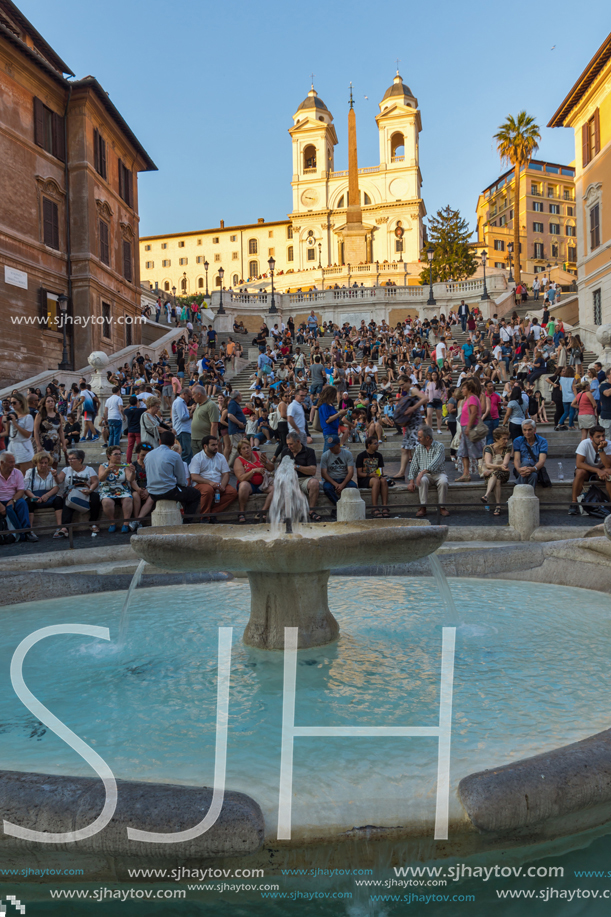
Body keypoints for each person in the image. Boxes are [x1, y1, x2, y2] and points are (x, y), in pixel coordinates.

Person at [145, 430, 201, 520]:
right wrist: (183, 487)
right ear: (173, 443)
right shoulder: (174, 455)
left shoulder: (149, 455)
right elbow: (181, 479)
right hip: (168, 492)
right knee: (195, 494)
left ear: (160, 441)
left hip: (152, 492)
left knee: (186, 492)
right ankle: (187, 521)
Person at [53, 449, 101, 537]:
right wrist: (55, 475)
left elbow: (95, 482)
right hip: (71, 493)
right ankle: (65, 527)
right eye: (69, 459)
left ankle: (93, 522)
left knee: (95, 497)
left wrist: (90, 490)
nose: (70, 461)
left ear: (80, 460)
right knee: (66, 500)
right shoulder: (66, 469)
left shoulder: (89, 469)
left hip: (85, 492)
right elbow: (59, 480)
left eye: (72, 459)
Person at [190, 433, 238, 518]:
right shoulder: (197, 458)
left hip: (218, 483)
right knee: (208, 490)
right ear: (205, 446)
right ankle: (204, 517)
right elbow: (194, 476)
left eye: (216, 444)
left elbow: (226, 474)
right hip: (202, 484)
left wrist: (222, 486)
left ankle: (213, 513)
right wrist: (210, 483)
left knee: (232, 492)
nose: (216, 447)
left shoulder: (221, 457)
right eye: (213, 445)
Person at [407, 425, 449, 518]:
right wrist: (411, 481)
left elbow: (436, 462)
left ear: (427, 437)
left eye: (420, 437)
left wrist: (421, 473)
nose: (418, 439)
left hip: (439, 473)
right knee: (422, 480)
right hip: (425, 476)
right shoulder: (418, 448)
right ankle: (423, 507)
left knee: (443, 482)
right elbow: (414, 464)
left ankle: (442, 507)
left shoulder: (440, 446)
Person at [568, 425, 611, 515]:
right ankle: (574, 502)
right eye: (598, 436)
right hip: (587, 470)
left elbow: (608, 465)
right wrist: (597, 470)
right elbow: (579, 463)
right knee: (580, 472)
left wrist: (601, 450)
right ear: (591, 438)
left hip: (601, 470)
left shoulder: (608, 444)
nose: (602, 439)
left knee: (609, 472)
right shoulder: (584, 443)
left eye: (603, 436)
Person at [279, 431, 321, 521]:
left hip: (304, 479)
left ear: (298, 442)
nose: (289, 446)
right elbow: (280, 469)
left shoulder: (309, 451)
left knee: (314, 483)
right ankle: (285, 512)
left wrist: (297, 467)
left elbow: (313, 470)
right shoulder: (285, 451)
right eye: (287, 444)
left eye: (291, 444)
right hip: (289, 480)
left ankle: (311, 510)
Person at [233, 439, 274, 523]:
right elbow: (241, 478)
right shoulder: (238, 460)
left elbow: (272, 468)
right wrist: (254, 471)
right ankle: (241, 512)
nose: (246, 450)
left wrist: (266, 462)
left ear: (251, 448)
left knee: (276, 489)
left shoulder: (258, 454)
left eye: (248, 447)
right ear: (240, 451)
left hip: (262, 484)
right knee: (243, 485)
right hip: (249, 485)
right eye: (243, 448)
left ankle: (262, 512)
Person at [0, 450, 37, 541]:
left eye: (14, 462)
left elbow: (21, 490)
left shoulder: (17, 472)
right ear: (1, 462)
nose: (13, 464)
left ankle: (27, 532)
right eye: (10, 462)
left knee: (22, 503)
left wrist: (12, 500)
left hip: (13, 498)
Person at [24, 451, 63, 536]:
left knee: (59, 500)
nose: (44, 465)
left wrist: (47, 495)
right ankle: (30, 530)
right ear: (36, 463)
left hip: (49, 496)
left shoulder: (52, 472)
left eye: (46, 463)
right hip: (34, 496)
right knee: (28, 502)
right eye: (41, 463)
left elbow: (56, 487)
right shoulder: (30, 472)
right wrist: (34, 497)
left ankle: (59, 528)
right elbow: (26, 489)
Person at [98, 445, 135, 533]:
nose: (118, 456)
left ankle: (126, 523)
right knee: (107, 501)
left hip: (122, 489)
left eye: (120, 454)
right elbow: (101, 479)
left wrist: (133, 472)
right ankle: (112, 522)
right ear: (109, 456)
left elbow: (130, 479)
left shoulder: (124, 466)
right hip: (107, 490)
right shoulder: (103, 466)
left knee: (128, 499)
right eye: (115, 454)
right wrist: (107, 470)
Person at [455, 379, 484, 483]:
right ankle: (466, 473)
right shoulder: (468, 398)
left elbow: (473, 413)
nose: (462, 390)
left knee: (476, 451)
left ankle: (486, 469)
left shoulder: (472, 398)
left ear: (469, 389)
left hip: (470, 427)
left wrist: (468, 427)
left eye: (464, 388)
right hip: (466, 427)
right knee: (464, 451)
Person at [320, 434, 357, 511]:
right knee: (327, 488)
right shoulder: (325, 455)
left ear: (338, 445)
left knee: (353, 486)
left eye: (332, 446)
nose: (330, 449)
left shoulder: (347, 454)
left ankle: (340, 507)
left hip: (344, 478)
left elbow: (350, 472)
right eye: (329, 447)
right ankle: (340, 506)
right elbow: (323, 473)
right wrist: (336, 484)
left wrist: (342, 484)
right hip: (331, 479)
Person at [356, 434, 389, 517]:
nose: (377, 445)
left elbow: (381, 470)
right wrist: (370, 474)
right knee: (376, 481)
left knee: (383, 480)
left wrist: (380, 475)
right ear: (369, 445)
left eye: (377, 443)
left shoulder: (379, 456)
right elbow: (359, 473)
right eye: (375, 443)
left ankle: (385, 507)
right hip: (364, 478)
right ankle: (374, 508)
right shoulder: (361, 456)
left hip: (376, 476)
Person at [480, 427, 511, 516]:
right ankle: (498, 506)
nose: (506, 441)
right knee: (497, 479)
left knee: (495, 474)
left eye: (507, 438)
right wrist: (498, 467)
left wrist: (493, 469)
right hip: (493, 475)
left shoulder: (507, 449)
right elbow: (488, 464)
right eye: (503, 439)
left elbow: (505, 465)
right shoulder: (489, 448)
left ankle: (486, 495)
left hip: (504, 474)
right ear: (496, 439)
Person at [512, 419, 548, 489]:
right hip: (521, 469)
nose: (527, 432)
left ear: (535, 429)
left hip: (536, 468)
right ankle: (530, 497)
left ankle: (519, 493)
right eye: (524, 430)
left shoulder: (542, 441)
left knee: (529, 468)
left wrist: (533, 469)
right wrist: (519, 469)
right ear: (522, 430)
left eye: (529, 430)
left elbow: (542, 461)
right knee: (533, 475)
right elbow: (516, 459)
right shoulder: (517, 441)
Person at [6, 392, 34, 473]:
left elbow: (27, 434)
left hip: (23, 446)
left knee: (26, 474)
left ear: (21, 402)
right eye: (11, 403)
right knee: (13, 474)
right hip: (12, 446)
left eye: (14, 403)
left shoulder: (28, 417)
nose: (12, 405)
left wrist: (15, 423)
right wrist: (8, 422)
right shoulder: (12, 415)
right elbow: (8, 433)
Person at [190, 385, 220, 459]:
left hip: (204, 439)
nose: (192, 397)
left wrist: (211, 441)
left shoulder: (211, 405)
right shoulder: (197, 404)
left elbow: (214, 424)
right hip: (194, 438)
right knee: (197, 461)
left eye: (193, 394)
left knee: (208, 461)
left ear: (199, 394)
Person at [171, 387, 193, 466]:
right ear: (184, 394)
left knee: (188, 452)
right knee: (186, 453)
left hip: (184, 430)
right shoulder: (179, 402)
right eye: (189, 396)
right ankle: (185, 472)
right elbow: (182, 417)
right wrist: (190, 415)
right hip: (182, 430)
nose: (190, 399)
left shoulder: (180, 402)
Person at [227, 391, 247, 466]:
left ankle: (235, 466)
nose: (242, 396)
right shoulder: (232, 403)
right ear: (237, 396)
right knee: (236, 449)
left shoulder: (235, 404)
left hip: (239, 430)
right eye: (241, 395)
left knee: (238, 448)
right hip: (236, 430)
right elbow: (230, 415)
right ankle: (229, 467)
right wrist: (239, 423)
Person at [123, 396, 145, 462]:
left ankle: (128, 461)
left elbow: (124, 409)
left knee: (130, 447)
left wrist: (130, 403)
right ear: (136, 402)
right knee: (139, 447)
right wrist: (144, 401)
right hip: (138, 431)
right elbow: (149, 408)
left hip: (130, 431)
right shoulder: (140, 410)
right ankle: (139, 461)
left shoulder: (127, 411)